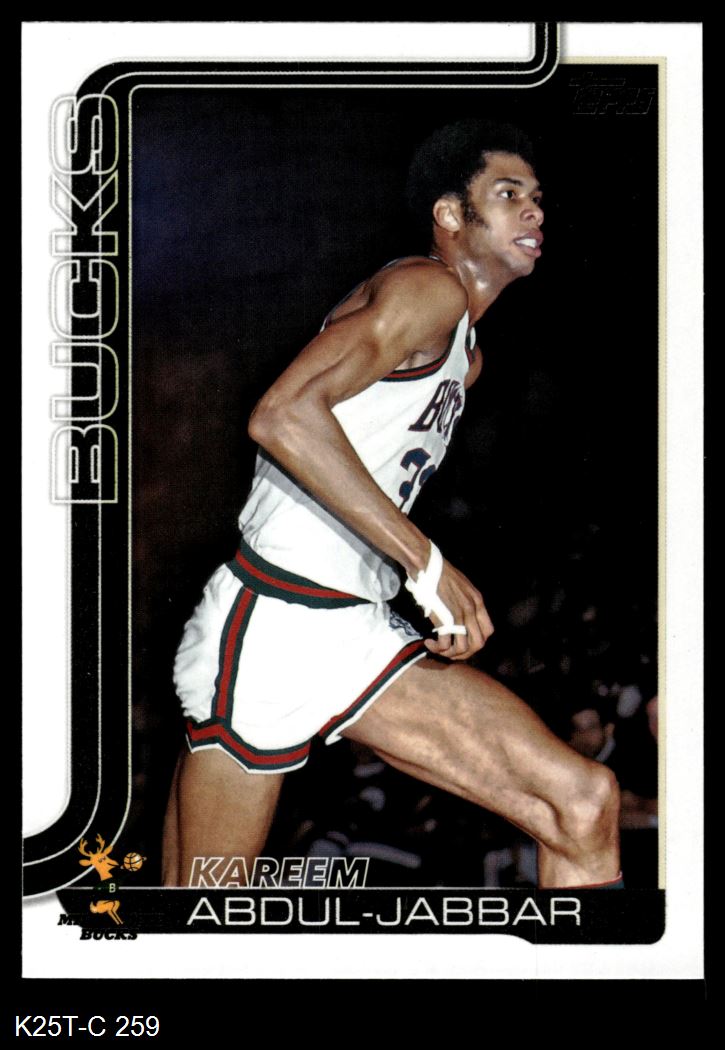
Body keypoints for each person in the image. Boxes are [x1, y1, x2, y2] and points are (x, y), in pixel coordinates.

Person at [162, 119, 622, 889]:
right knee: (201, 912)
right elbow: (281, 415)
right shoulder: (426, 288)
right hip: (273, 623)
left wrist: (409, 569)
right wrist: (425, 564)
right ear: (449, 215)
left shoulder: (465, 357)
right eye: (508, 194)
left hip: (355, 625)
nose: (534, 211)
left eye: (538, 198)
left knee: (579, 803)